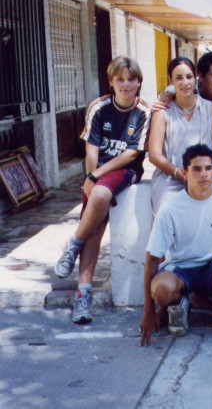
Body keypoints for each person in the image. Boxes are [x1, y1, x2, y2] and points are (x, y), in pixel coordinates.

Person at [54, 56, 150, 324]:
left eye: (131, 79)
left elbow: (132, 153)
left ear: (139, 82)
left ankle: (73, 243)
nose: (126, 84)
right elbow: (92, 148)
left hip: (125, 170)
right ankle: (83, 294)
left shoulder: (144, 111)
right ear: (111, 81)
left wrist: (96, 177)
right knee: (94, 229)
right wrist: (89, 176)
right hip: (97, 171)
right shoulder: (98, 107)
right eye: (120, 79)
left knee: (100, 195)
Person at [140, 144, 212, 345]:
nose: (204, 174)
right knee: (161, 290)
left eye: (208, 168)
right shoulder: (171, 208)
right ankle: (178, 305)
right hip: (181, 268)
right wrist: (148, 310)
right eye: (197, 169)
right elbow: (152, 257)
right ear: (185, 173)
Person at [148, 57, 212, 213]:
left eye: (189, 77)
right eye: (179, 78)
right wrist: (179, 173)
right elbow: (154, 155)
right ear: (171, 80)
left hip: (204, 177)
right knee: (168, 216)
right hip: (170, 180)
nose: (185, 83)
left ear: (195, 78)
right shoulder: (162, 112)